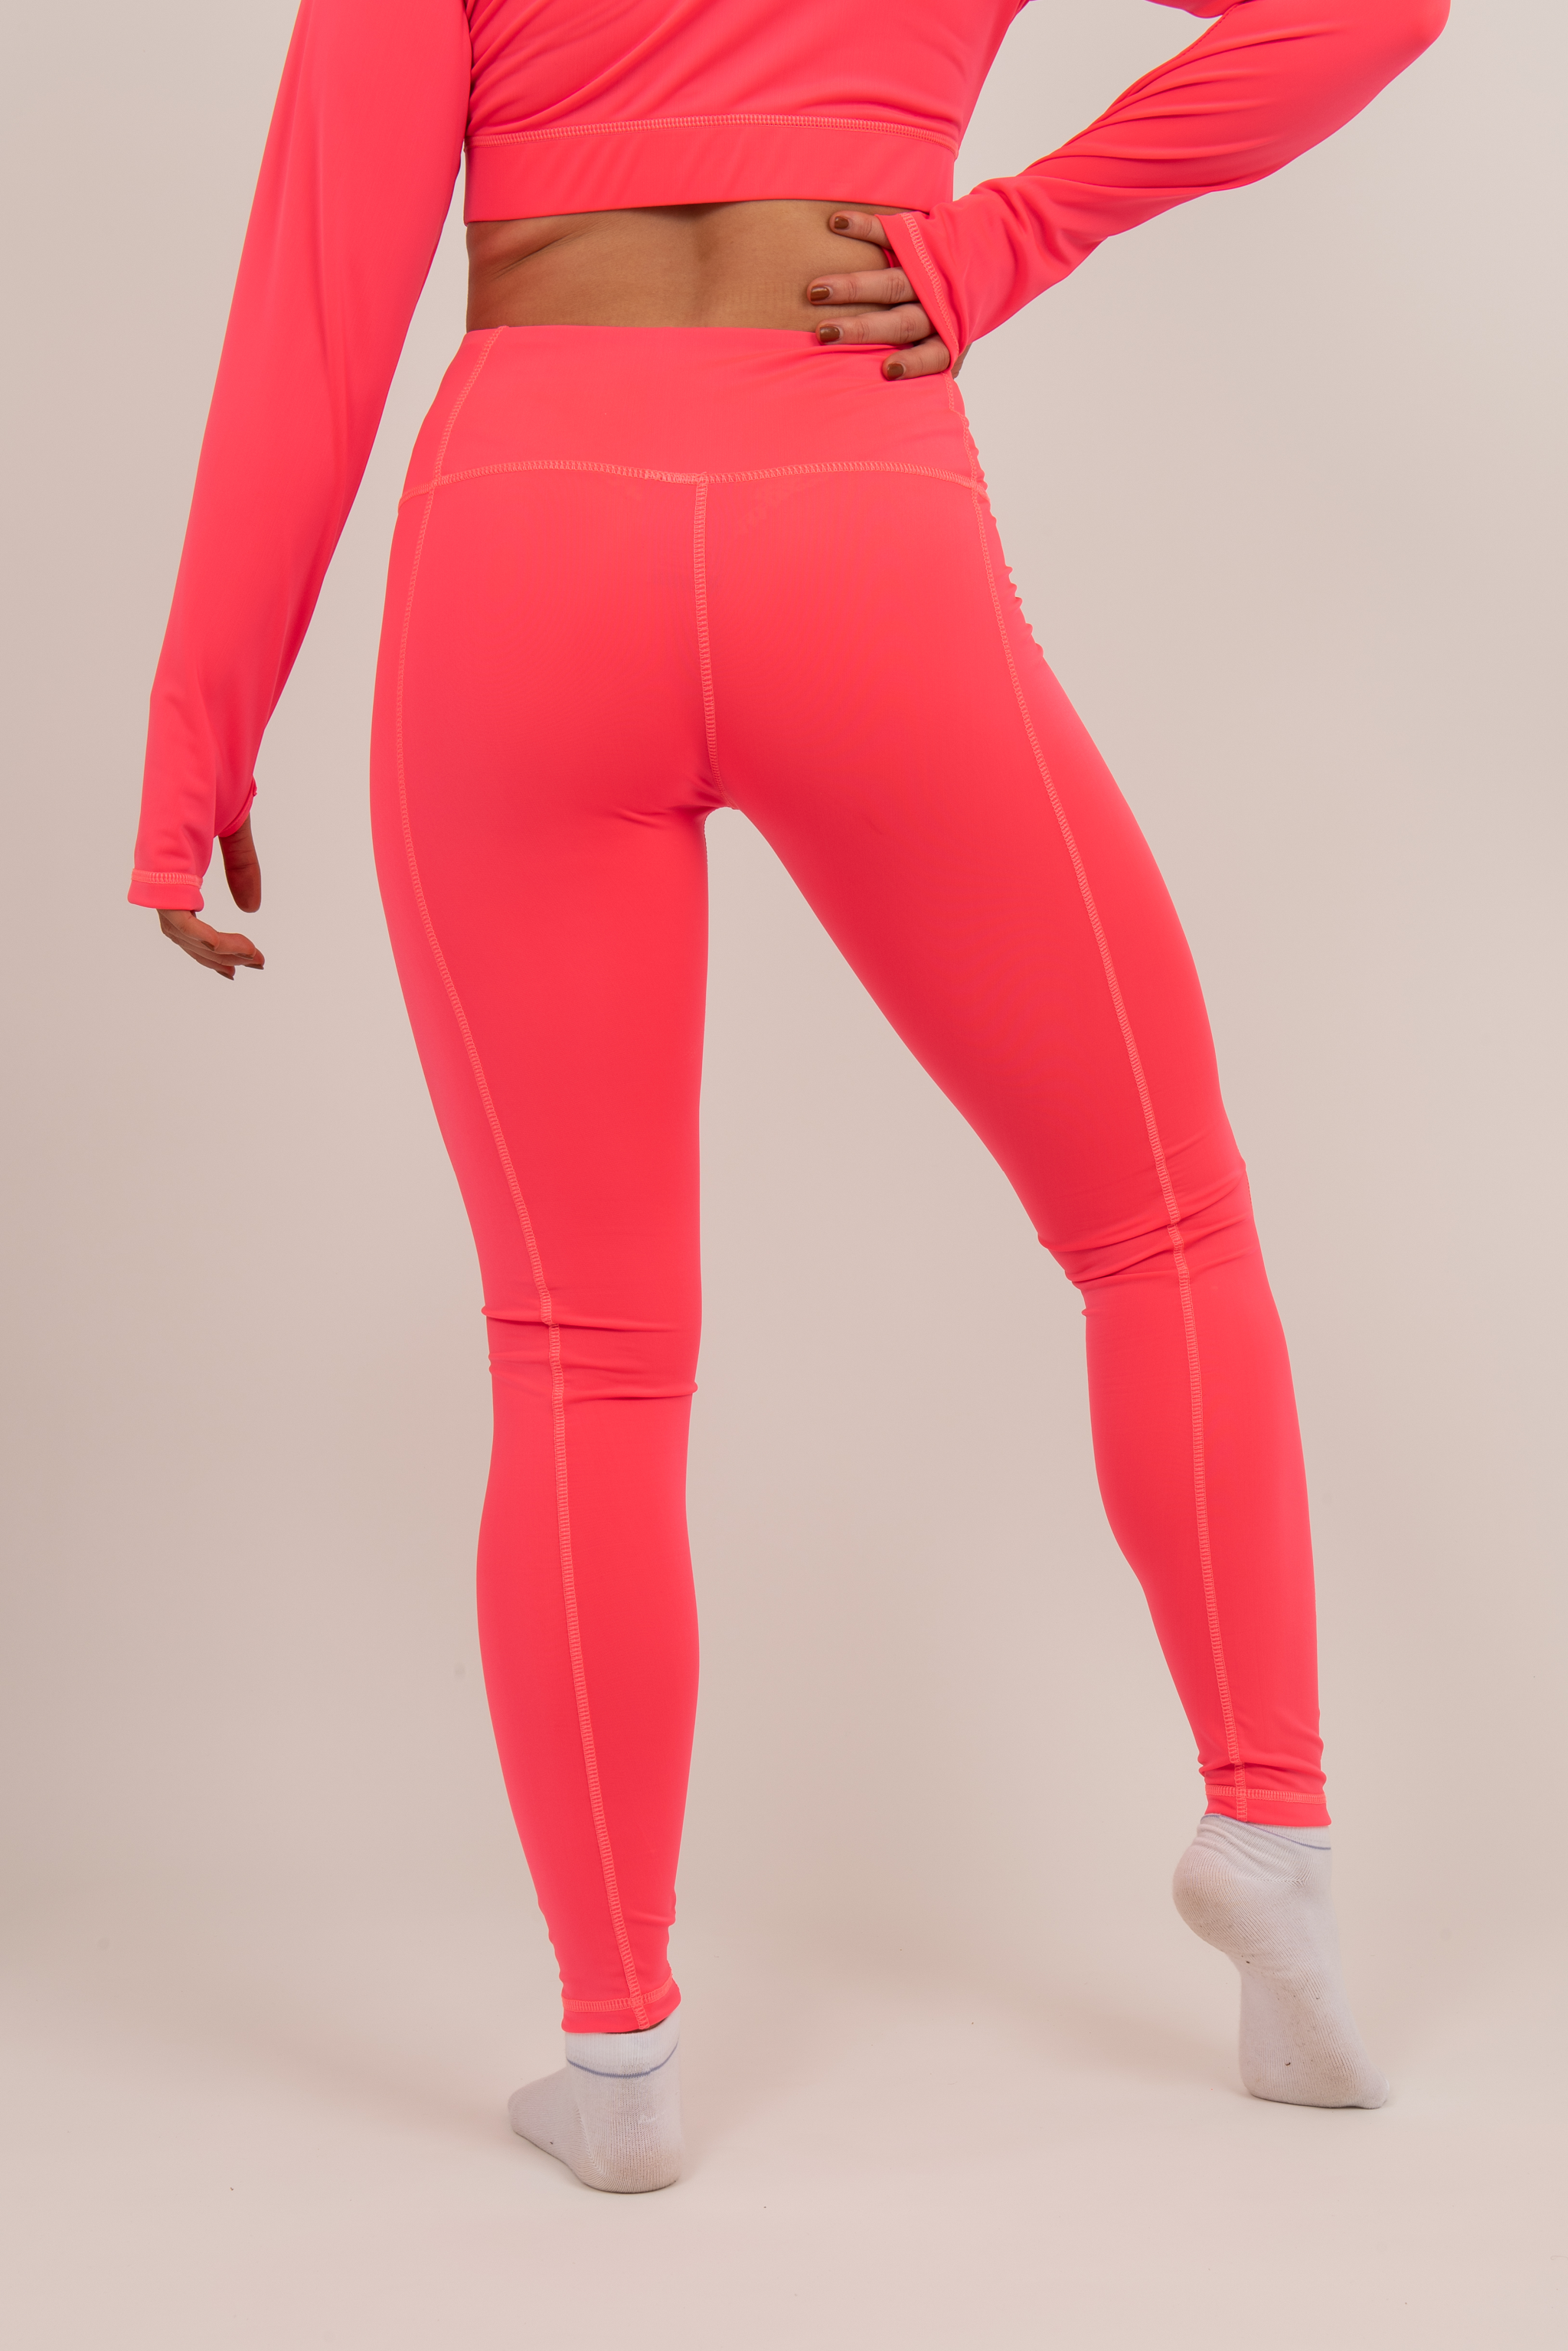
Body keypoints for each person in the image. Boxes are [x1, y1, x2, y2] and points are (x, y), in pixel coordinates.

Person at [128, 0, 1447, 2192]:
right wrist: (1010, 236)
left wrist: (198, 757)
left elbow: (317, 309)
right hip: (857, 507)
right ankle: (1274, 1847)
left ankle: (618, 2058)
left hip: (523, 538)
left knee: (583, 1352)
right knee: (1161, 1227)